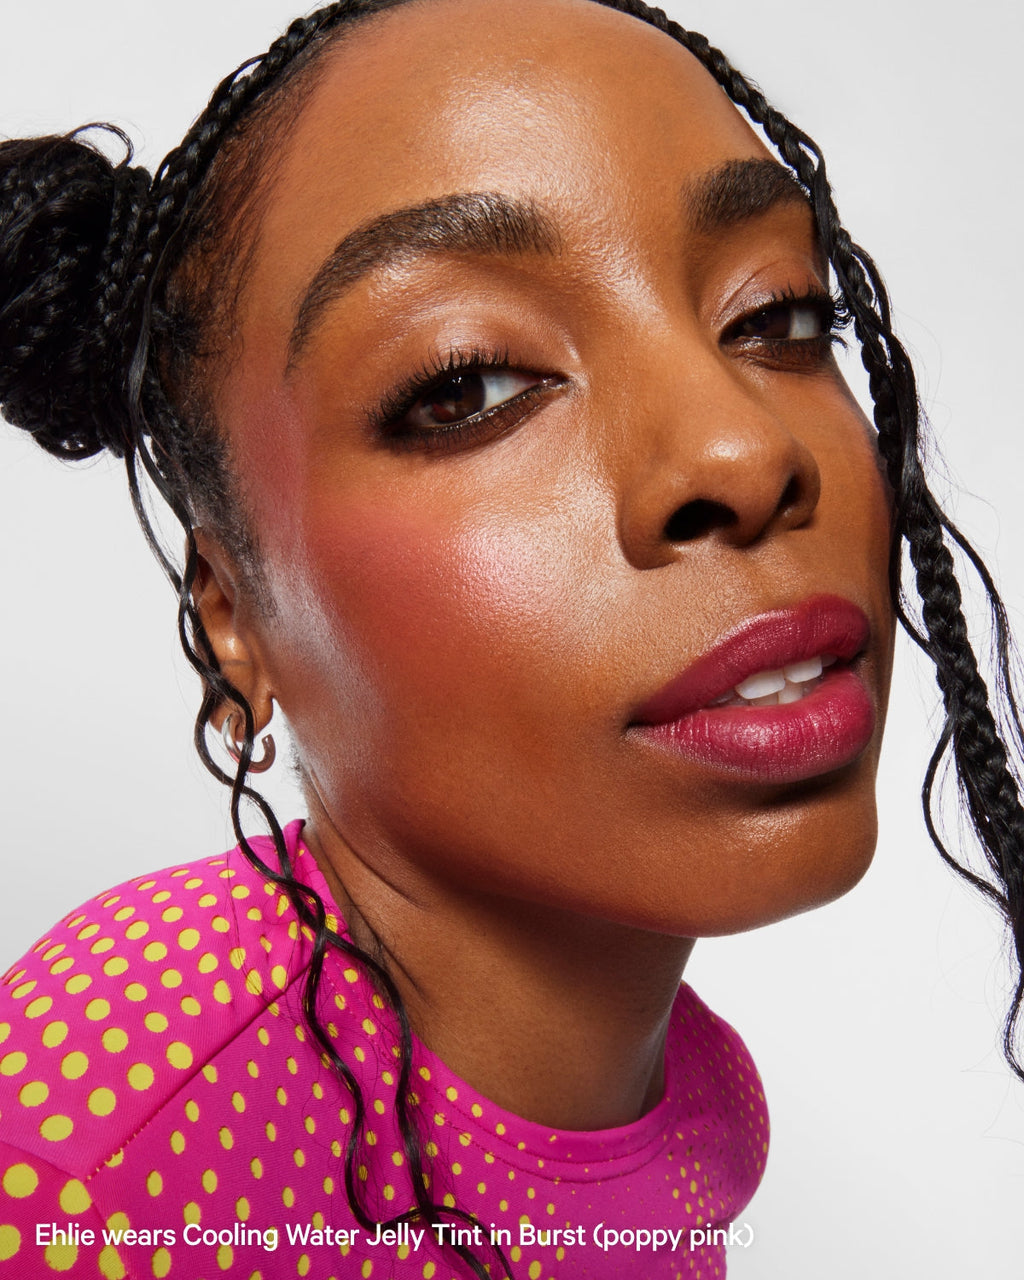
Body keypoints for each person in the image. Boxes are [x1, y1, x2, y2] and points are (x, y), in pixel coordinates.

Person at [1, 1, 1022, 1277]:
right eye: (467, 380)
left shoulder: (698, 1100)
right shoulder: (93, 1146)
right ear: (231, 615)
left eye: (778, 314)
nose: (742, 450)